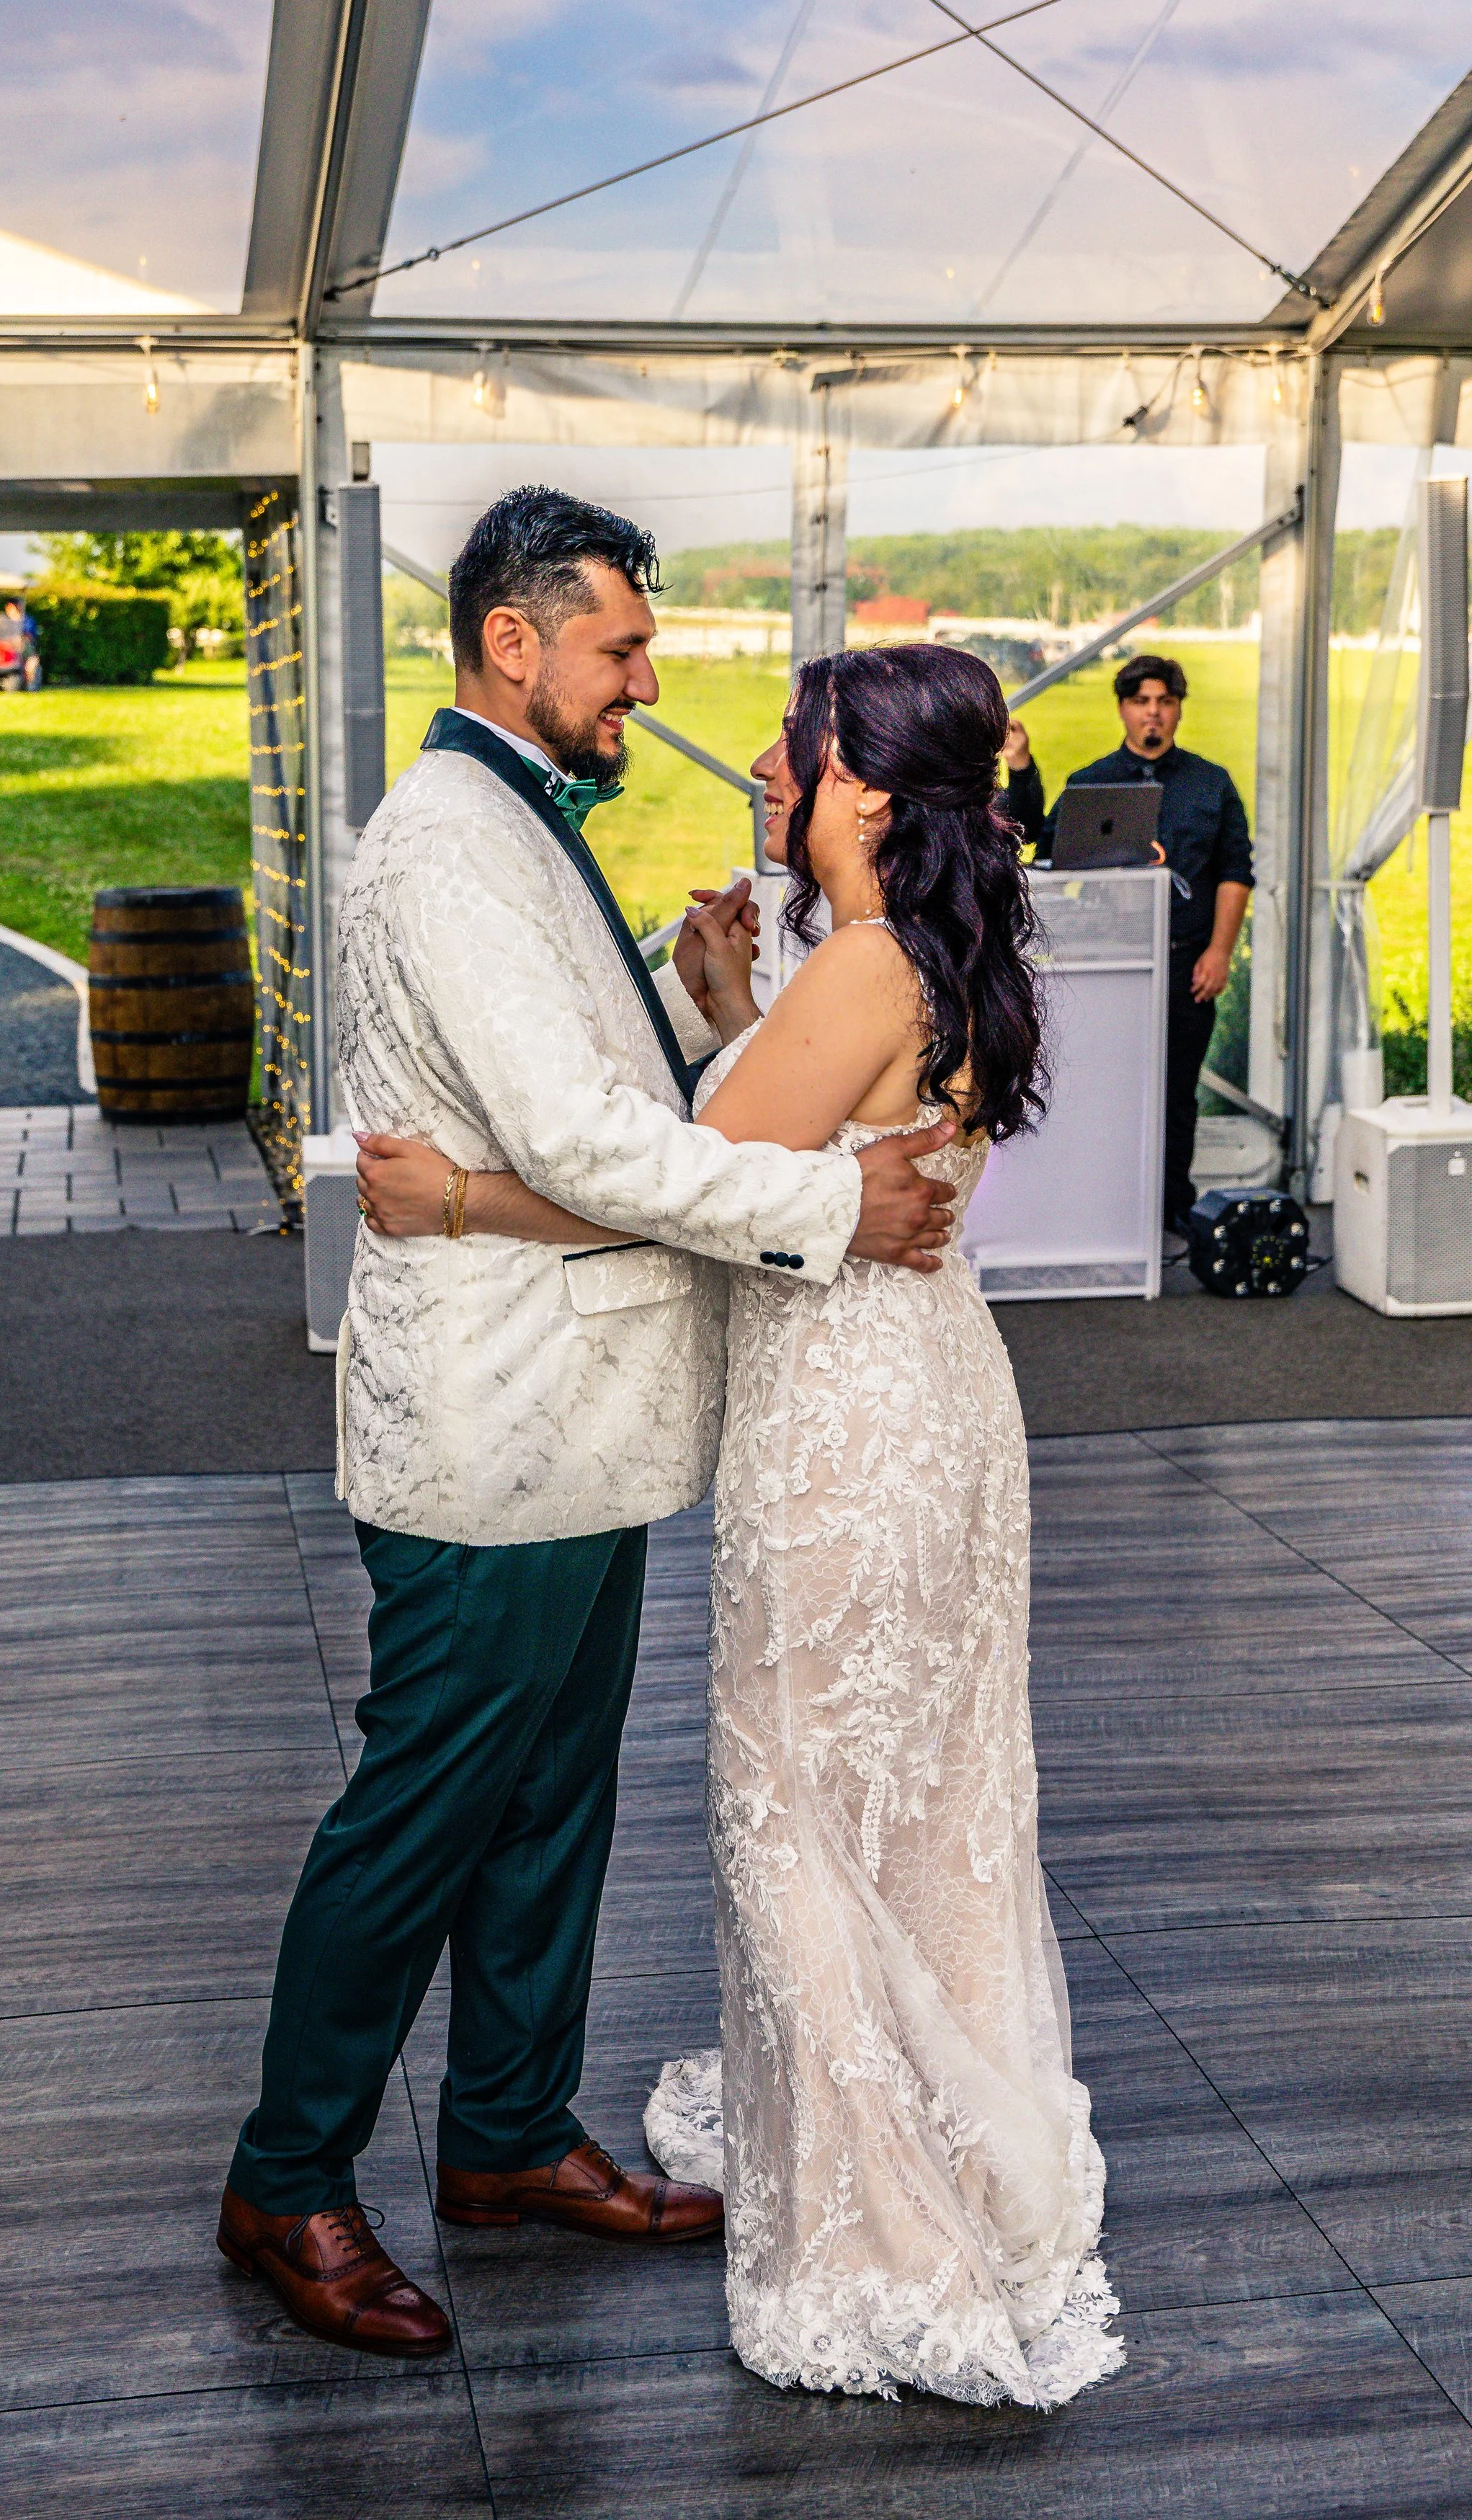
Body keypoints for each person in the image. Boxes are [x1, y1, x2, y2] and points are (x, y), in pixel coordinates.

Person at [217, 488, 960, 2362]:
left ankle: (504, 2136)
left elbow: (573, 1106)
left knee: (550, 1805)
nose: (649, 679)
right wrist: (828, 1210)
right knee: (420, 1816)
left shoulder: (513, 823)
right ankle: (286, 2171)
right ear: (510, 642)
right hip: (495, 1427)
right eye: (622, 647)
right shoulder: (449, 848)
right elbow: (578, 1142)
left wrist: (698, 1008)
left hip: (587, 1420)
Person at [360, 642, 1121, 2410]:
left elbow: (688, 1192)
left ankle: (887, 2233)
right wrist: (726, 1020)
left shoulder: (857, 966)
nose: (773, 771)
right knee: (920, 1801)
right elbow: (796, 1153)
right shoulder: (944, 949)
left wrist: (460, 1196)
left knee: (796, 1809)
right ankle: (958, 2128)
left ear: (864, 787)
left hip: (846, 1423)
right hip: (937, 1396)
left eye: (800, 749)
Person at [1004, 654, 1252, 1233]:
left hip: (1187, 961)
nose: (1154, 714)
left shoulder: (1211, 784)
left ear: (1178, 710)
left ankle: (1170, 1209)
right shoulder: (1093, 783)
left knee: (1178, 1091)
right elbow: (1039, 851)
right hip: (1112, 963)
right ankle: (1106, 1208)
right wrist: (1021, 765)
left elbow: (1236, 871)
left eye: (1165, 702)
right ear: (1122, 708)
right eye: (1142, 702)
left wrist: (1219, 952)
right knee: (1106, 1087)